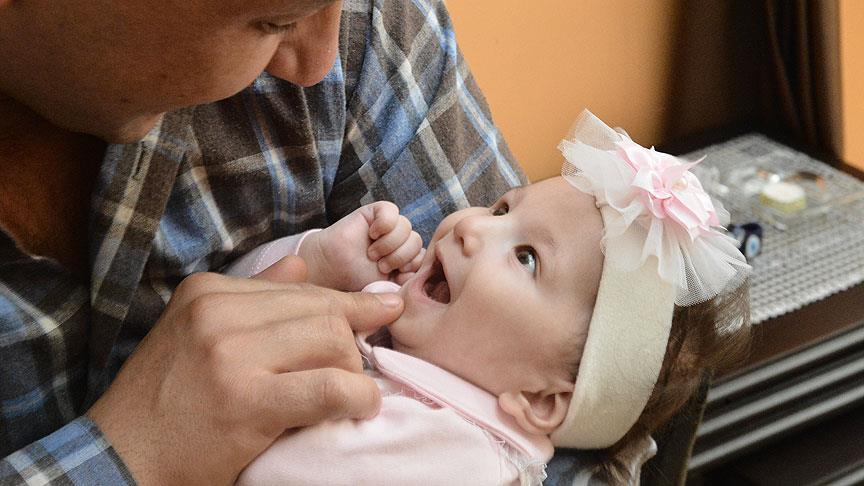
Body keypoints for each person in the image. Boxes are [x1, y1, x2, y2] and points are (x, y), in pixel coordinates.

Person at [0, 1, 531, 484]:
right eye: (272, 22)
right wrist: (137, 457)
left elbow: (567, 367)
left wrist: (308, 261)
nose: (319, 66)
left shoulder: (369, 27)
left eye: (527, 256)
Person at [224, 111, 752, 485]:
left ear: (541, 400)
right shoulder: (395, 318)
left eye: (526, 258)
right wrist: (317, 261)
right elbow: (229, 318)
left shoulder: (457, 459)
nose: (470, 227)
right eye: (502, 209)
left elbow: (252, 461)